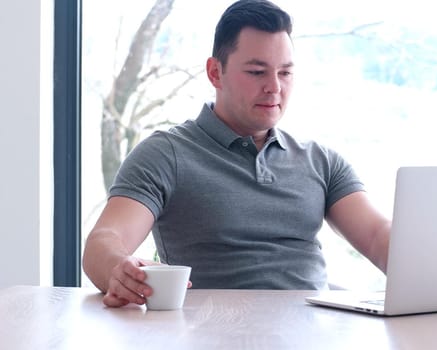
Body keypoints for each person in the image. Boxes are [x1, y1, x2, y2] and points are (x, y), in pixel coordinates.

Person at [82, 0, 391, 308]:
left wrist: (430, 266)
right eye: (257, 72)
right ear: (215, 73)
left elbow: (378, 236)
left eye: (285, 73)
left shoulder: (321, 161)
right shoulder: (165, 154)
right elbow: (104, 241)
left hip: (314, 332)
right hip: (212, 333)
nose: (274, 87)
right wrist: (118, 271)